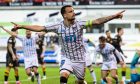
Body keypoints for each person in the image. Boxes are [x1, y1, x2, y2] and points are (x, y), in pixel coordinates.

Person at [11, 5, 124, 84]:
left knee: (80, 81)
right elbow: (40, 28)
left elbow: (97, 21)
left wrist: (114, 16)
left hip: (80, 59)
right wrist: (22, 26)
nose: (73, 13)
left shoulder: (80, 24)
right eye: (70, 11)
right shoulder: (58, 26)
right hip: (66, 57)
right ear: (64, 15)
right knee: (63, 75)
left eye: (73, 11)